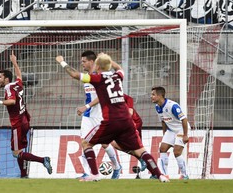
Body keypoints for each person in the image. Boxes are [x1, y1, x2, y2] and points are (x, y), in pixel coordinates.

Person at [55, 53, 168, 182]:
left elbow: (74, 75)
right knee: (141, 150)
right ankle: (161, 175)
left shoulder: (97, 79)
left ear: (97, 65)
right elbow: (119, 68)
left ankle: (95, 174)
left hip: (111, 120)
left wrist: (62, 62)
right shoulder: (118, 76)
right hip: (126, 120)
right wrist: (109, 61)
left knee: (86, 144)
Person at [0, 52, 52, 178]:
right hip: (25, 119)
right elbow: (18, 75)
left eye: (0, 77)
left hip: (17, 122)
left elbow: (12, 101)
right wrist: (14, 62)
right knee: (19, 150)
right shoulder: (17, 84)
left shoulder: (8, 87)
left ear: (6, 79)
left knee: (16, 153)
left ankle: (43, 160)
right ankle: (23, 174)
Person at [74, 51, 122, 180]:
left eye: (84, 61)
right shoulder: (87, 77)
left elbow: (102, 96)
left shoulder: (101, 76)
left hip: (101, 115)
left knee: (105, 144)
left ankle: (117, 167)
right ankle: (88, 172)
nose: (82, 63)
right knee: (84, 142)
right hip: (88, 116)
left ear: (91, 61)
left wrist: (86, 106)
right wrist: (86, 108)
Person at [151, 86, 191, 179]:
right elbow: (163, 121)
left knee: (176, 152)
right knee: (162, 148)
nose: (151, 96)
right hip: (171, 130)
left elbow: (184, 120)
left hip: (181, 129)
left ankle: (185, 175)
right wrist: (164, 134)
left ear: (160, 96)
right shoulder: (157, 107)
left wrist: (185, 135)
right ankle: (165, 175)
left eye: (153, 94)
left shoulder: (172, 106)